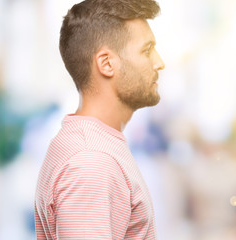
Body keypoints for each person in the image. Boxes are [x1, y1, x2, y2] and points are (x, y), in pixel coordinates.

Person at [34, 0, 165, 239]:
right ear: (106, 63)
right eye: (146, 50)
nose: (159, 63)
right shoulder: (91, 161)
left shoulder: (92, 146)